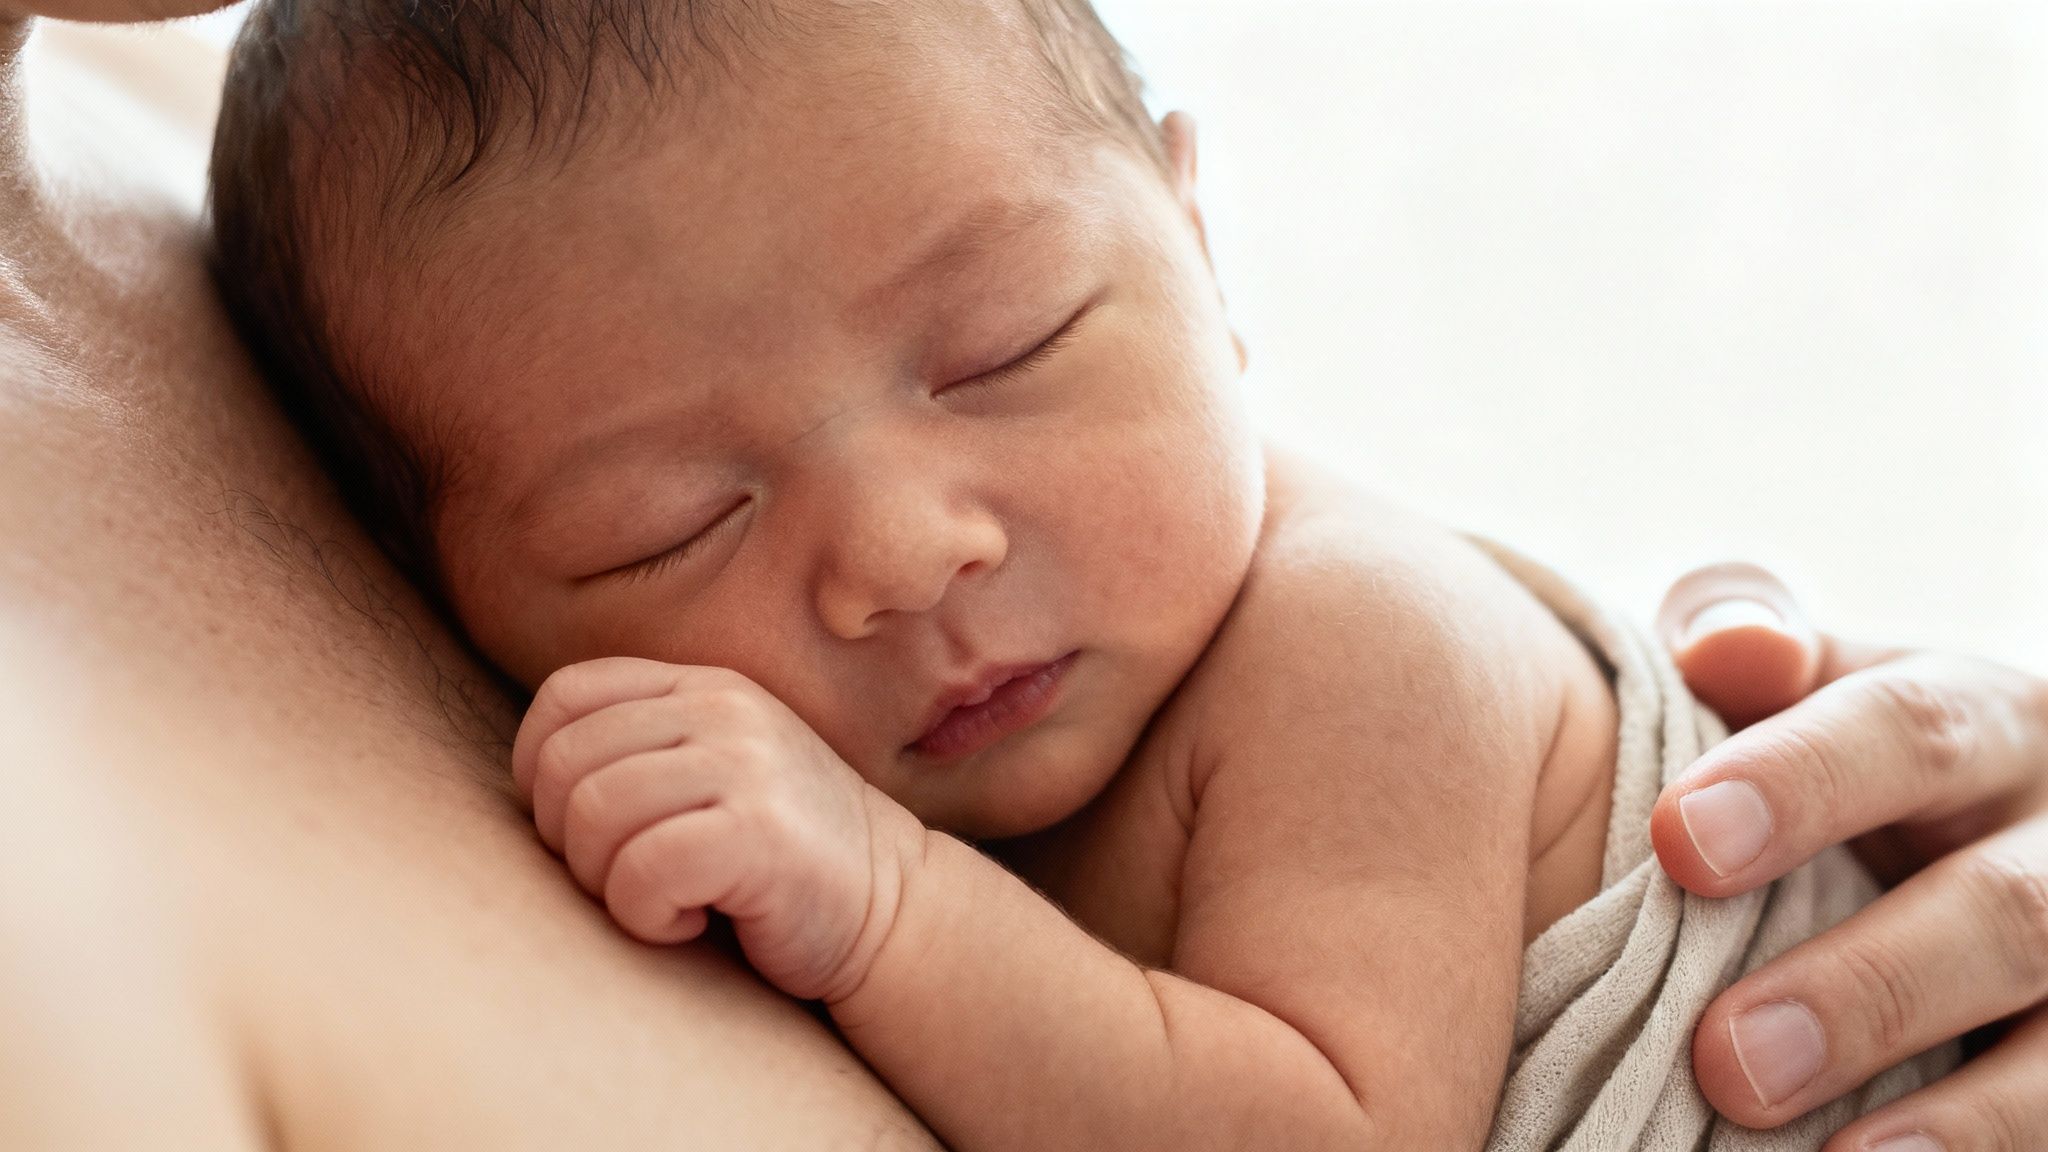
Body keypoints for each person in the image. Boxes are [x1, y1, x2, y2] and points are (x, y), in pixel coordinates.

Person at [1, 3, 2042, 1150]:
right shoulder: (379, 263)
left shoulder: (1362, 645)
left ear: (1199, 250)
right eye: (666, 525)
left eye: (1011, 351)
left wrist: (884, 903)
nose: (909, 551)